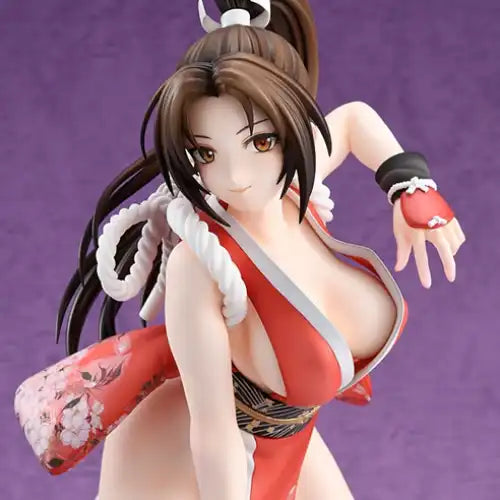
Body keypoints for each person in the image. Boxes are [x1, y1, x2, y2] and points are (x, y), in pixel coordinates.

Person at [14, 1, 465, 499]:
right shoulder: (201, 265)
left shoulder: (291, 189)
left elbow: (355, 120)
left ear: (293, 126)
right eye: (207, 153)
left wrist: (409, 187)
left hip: (290, 436)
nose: (236, 177)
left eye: (261, 142)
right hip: (200, 448)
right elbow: (214, 438)